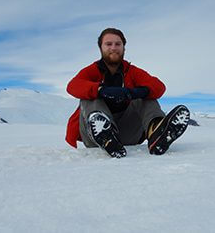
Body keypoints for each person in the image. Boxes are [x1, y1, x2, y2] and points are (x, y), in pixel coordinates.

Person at [65, 28, 190, 158]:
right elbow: (73, 86)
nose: (113, 48)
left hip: (127, 133)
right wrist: (101, 90)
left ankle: (156, 132)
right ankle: (105, 135)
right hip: (94, 137)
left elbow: (158, 87)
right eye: (108, 44)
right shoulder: (92, 71)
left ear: (124, 48)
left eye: (118, 44)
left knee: (147, 95)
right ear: (100, 48)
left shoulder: (132, 71)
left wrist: (133, 93)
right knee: (90, 95)